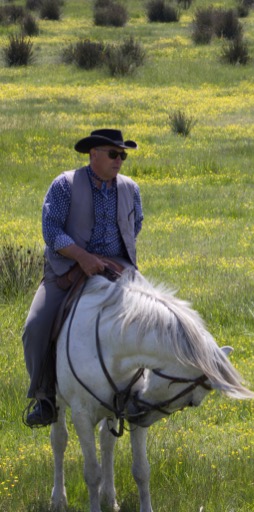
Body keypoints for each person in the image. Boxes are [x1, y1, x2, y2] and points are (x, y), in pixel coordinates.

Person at [22, 129, 143, 427]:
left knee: (157, 315)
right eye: (113, 154)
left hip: (119, 268)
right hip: (67, 268)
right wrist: (82, 256)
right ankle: (45, 397)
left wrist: (112, 260)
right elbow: (51, 231)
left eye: (123, 156)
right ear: (93, 155)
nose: (119, 161)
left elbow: (135, 225)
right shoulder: (65, 185)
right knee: (35, 327)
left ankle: (143, 393)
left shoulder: (130, 188)